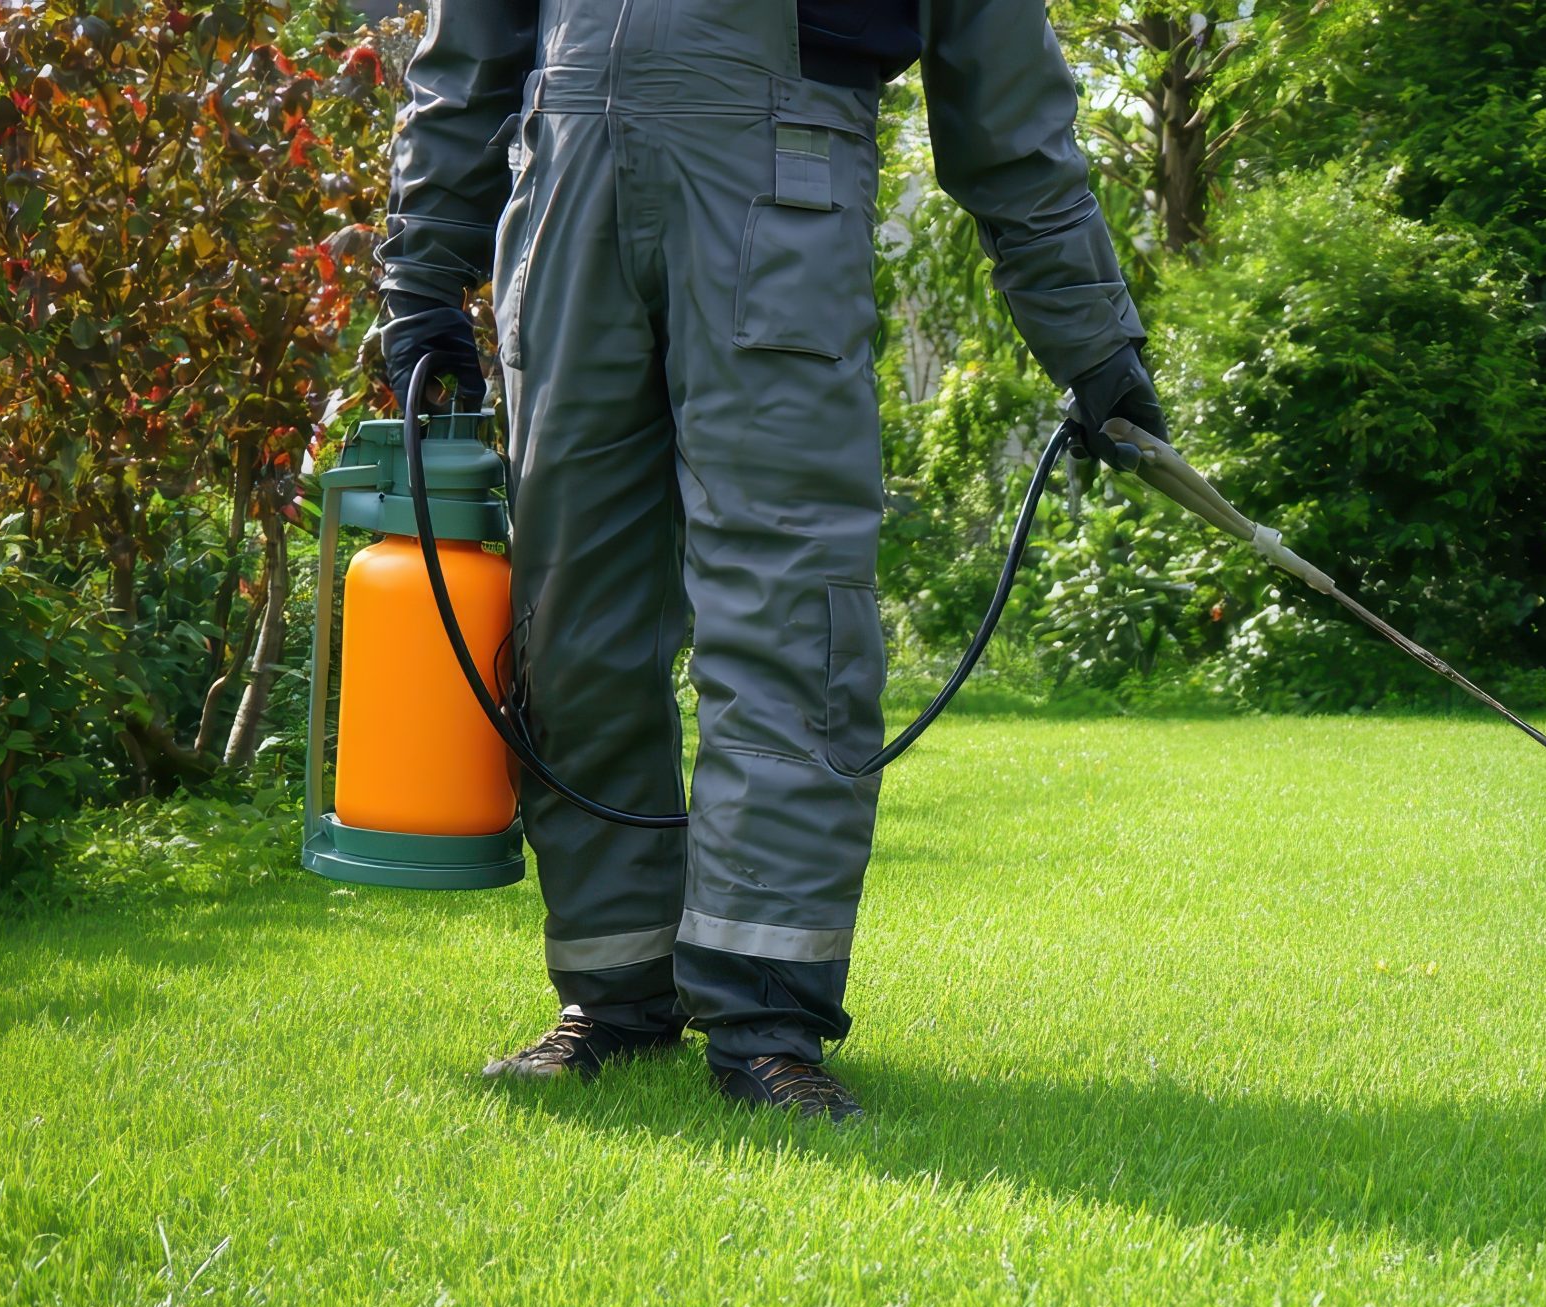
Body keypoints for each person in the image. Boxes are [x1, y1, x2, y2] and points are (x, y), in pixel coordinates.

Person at [377, 0, 1166, 1122]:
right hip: (560, 200)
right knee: (571, 623)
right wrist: (420, 274)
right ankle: (612, 996)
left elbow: (1008, 106)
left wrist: (1092, 341)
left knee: (792, 617)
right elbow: (470, 53)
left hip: (780, 191)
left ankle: (766, 1024)